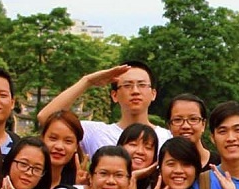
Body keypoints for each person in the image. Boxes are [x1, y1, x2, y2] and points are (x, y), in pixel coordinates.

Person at [38, 62, 171, 156]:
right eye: (127, 85)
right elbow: (46, 118)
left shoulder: (167, 137)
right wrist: (87, 81)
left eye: (142, 85)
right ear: (114, 95)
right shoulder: (96, 133)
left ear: (153, 94)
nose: (135, 91)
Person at [167, 93, 218, 167]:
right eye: (178, 120)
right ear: (169, 126)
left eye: (193, 119)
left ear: (203, 124)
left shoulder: (221, 164)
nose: (185, 126)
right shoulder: (162, 168)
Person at [40, 110, 86, 189]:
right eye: (53, 138)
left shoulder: (78, 182)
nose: (59, 146)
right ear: (42, 138)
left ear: (76, 146)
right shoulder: (27, 175)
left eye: (68, 141)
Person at [118, 123, 159, 189]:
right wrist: (133, 177)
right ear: (120, 147)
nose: (140, 151)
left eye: (148, 147)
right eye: (133, 144)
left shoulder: (158, 183)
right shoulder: (108, 177)